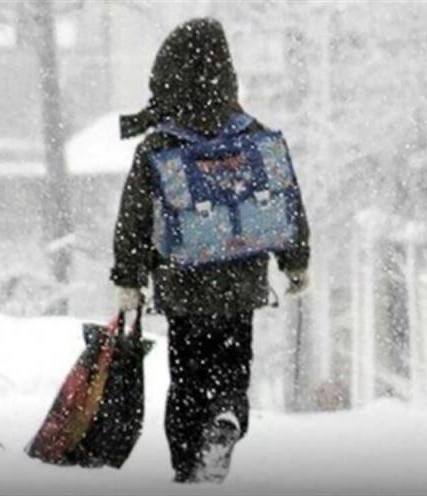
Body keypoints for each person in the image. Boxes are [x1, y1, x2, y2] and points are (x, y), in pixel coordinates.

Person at [111, 18, 310, 483]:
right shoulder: (251, 133)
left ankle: (186, 468)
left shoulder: (160, 143)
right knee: (232, 365)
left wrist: (128, 279)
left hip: (183, 284)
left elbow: (134, 219)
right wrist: (296, 261)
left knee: (187, 375)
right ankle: (226, 416)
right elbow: (286, 198)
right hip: (241, 283)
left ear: (167, 79)